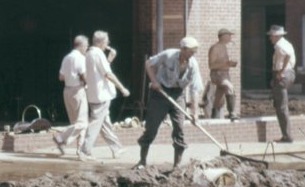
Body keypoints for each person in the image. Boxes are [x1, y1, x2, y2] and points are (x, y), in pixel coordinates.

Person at [136, 37, 204, 169]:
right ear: (183, 49)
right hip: (160, 94)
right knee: (151, 129)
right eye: (191, 51)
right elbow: (148, 64)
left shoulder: (193, 64)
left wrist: (195, 113)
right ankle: (142, 161)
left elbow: (195, 89)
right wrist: (154, 81)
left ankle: (176, 166)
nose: (193, 54)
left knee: (179, 129)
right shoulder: (168, 55)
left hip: (178, 94)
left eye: (194, 51)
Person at [80, 31, 130, 159]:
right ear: (102, 42)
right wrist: (122, 88)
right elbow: (107, 74)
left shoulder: (89, 53)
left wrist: (110, 59)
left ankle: (116, 148)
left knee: (104, 123)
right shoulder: (98, 53)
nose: (108, 43)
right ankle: (84, 151)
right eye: (107, 41)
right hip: (101, 94)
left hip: (94, 93)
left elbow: (100, 70)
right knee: (96, 123)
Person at [51, 36, 89, 156]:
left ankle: (80, 150)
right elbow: (83, 75)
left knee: (75, 123)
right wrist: (88, 83)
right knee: (83, 123)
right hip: (78, 90)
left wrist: (71, 76)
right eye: (86, 46)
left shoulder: (66, 58)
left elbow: (61, 77)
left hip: (67, 91)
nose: (87, 48)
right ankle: (60, 137)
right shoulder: (80, 58)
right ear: (81, 45)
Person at [268, 25, 296, 143]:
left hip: (283, 74)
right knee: (280, 105)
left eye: (272, 36)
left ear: (276, 36)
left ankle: (287, 136)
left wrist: (281, 71)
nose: (270, 38)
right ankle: (286, 135)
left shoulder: (279, 45)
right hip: (288, 73)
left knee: (281, 107)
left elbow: (288, 56)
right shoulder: (286, 43)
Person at [206, 28, 239, 120]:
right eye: (228, 35)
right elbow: (211, 65)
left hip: (225, 73)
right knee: (230, 87)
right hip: (217, 74)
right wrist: (226, 63)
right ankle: (232, 113)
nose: (230, 37)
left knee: (219, 96)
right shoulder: (215, 47)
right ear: (223, 36)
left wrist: (231, 64)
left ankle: (214, 115)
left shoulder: (224, 47)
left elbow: (224, 63)